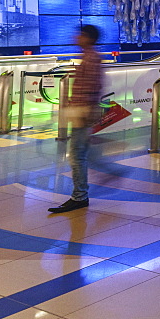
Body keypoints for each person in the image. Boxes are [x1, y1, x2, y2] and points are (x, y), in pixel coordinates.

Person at [49, 24, 103, 213]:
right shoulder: (89, 57)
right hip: (81, 112)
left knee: (77, 155)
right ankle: (87, 189)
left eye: (80, 34)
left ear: (88, 37)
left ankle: (79, 196)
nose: (76, 37)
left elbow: (93, 88)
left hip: (82, 113)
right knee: (81, 153)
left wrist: (83, 112)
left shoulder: (92, 58)